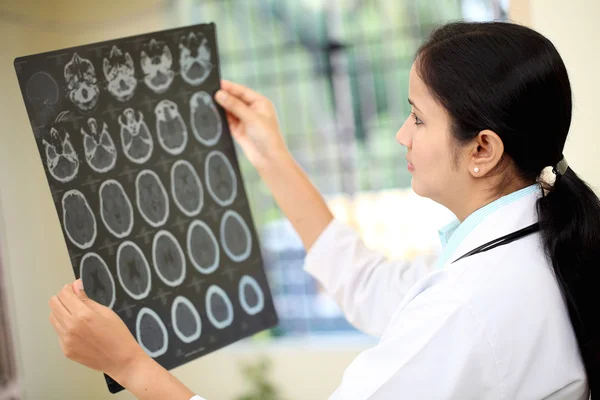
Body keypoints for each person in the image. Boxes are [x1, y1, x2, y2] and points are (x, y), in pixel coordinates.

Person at [48, 21, 599, 399]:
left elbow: (433, 314)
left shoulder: (470, 304)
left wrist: (131, 367)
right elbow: (375, 288)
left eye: (418, 118)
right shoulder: (535, 245)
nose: (400, 135)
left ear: (482, 149)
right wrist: (272, 158)